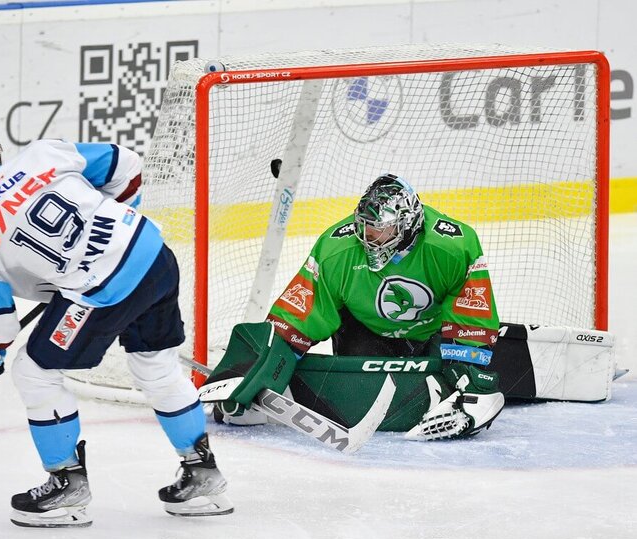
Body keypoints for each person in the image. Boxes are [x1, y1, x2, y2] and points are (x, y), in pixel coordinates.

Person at [0, 114, 232, 527]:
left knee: (33, 372)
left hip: (101, 293)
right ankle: (202, 472)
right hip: (152, 255)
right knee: (156, 366)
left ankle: (66, 486)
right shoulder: (43, 155)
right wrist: (112, 231)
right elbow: (127, 167)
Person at [200, 173, 505, 441]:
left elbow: (470, 311)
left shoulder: (452, 246)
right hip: (365, 333)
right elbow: (298, 316)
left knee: (449, 386)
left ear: (409, 225)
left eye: (380, 231)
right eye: (365, 227)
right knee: (358, 394)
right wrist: (258, 372)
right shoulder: (337, 249)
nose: (369, 238)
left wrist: (471, 379)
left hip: (431, 333)